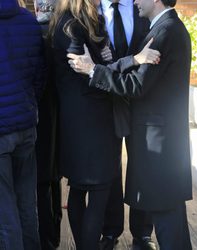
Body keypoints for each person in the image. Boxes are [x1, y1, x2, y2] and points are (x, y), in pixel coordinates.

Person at [67, 0, 193, 248]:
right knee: (172, 220)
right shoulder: (165, 27)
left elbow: (136, 85)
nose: (135, 0)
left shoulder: (165, 31)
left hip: (159, 141)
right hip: (161, 137)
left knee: (167, 217)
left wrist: (93, 70)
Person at [48, 0, 122, 248]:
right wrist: (104, 64)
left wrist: (104, 61)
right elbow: (86, 73)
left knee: (79, 189)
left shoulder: (64, 22)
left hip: (73, 119)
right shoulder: (74, 27)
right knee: (98, 192)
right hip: (93, 119)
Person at [98, 0, 156, 249]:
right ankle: (110, 231)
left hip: (140, 101)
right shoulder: (91, 10)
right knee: (109, 166)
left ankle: (142, 233)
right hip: (103, 102)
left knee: (143, 164)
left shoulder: (142, 9)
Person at [0, 0, 45, 249]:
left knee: (5, 214)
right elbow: (40, 74)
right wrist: (28, 105)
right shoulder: (29, 21)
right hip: (26, 126)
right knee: (28, 205)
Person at [33, 1, 62, 249]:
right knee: (53, 178)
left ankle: (47, 238)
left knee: (42, 182)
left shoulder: (34, 34)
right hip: (58, 115)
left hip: (39, 116)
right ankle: (54, 233)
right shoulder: (62, 33)